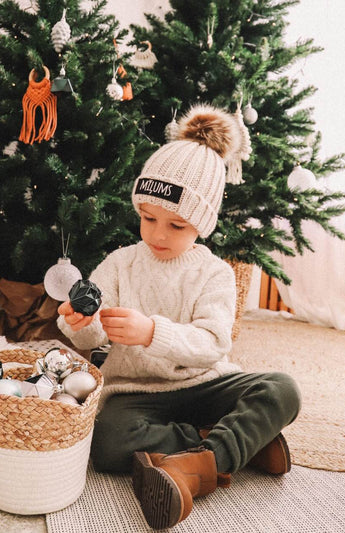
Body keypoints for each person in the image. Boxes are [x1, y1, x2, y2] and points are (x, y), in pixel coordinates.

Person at [57, 104, 301, 530]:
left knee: (283, 389)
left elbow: (212, 345)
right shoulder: (119, 264)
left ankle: (199, 467)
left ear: (201, 225)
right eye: (148, 218)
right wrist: (79, 321)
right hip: (136, 394)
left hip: (205, 383)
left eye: (177, 225)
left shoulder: (214, 273)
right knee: (106, 441)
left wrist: (152, 332)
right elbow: (90, 341)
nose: (157, 234)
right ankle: (234, 443)